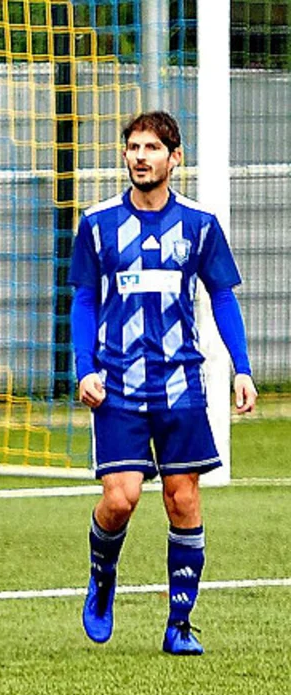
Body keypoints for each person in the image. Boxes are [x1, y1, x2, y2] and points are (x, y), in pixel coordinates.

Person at [71, 110, 256, 656]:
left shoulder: (199, 225)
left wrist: (241, 368)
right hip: (118, 384)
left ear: (175, 158)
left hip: (180, 384)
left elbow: (222, 296)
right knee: (121, 499)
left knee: (183, 499)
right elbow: (84, 298)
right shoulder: (98, 223)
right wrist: (84, 368)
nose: (140, 156)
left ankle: (179, 624)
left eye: (152, 147)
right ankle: (102, 577)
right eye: (133, 147)